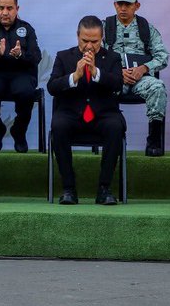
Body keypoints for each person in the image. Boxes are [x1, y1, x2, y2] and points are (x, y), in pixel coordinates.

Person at [47, 15, 126, 205]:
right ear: (77, 36)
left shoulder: (112, 57)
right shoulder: (64, 56)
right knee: (58, 126)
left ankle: (104, 189)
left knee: (115, 127)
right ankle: (69, 189)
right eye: (85, 41)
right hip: (71, 114)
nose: (89, 46)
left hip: (103, 115)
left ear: (102, 39)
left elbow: (117, 84)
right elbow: (52, 87)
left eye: (95, 41)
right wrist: (75, 76)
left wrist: (96, 72)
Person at [103, 0, 168, 156]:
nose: (123, 8)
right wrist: (118, 72)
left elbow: (162, 56)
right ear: (115, 5)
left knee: (158, 87)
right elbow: (96, 55)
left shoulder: (146, 28)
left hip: (141, 78)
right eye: (120, 4)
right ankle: (111, 139)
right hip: (116, 78)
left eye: (128, 4)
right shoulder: (105, 27)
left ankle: (154, 140)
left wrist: (144, 68)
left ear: (136, 6)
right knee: (102, 87)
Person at [0, 0, 41, 153]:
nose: (5, 12)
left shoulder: (26, 29)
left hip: (21, 74)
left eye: (9, 8)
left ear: (17, 9)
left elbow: (36, 57)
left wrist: (21, 54)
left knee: (26, 92)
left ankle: (19, 131)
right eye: (1, 8)